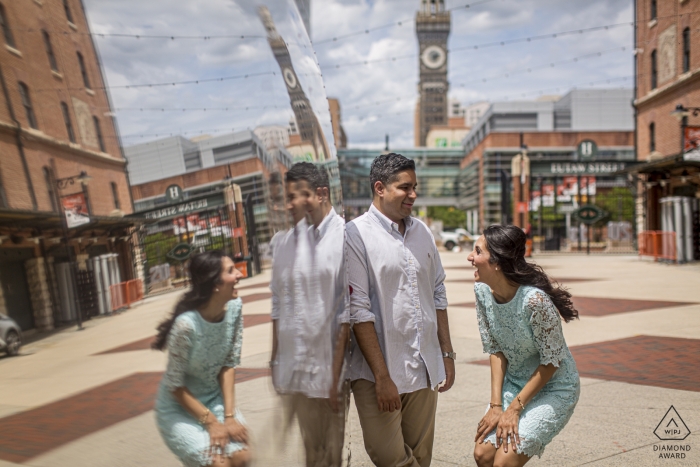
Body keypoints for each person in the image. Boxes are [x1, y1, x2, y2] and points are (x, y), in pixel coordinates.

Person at [346, 153, 455, 467]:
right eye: (405, 188)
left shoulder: (421, 231)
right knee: (391, 458)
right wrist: (382, 377)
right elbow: (359, 309)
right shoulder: (355, 235)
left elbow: (437, 291)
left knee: (420, 458)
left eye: (415, 187)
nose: (413, 195)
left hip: (422, 366)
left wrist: (446, 354)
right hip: (377, 372)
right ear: (380, 188)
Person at [469, 225, 580, 467]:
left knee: (503, 462)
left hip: (554, 388)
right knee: (483, 456)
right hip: (514, 383)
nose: (470, 257)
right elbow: (495, 349)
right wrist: (497, 405)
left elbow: (552, 362)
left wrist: (514, 410)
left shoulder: (535, 300)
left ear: (496, 262)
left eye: (477, 251)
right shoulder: (481, 292)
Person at [269, 162, 350, 466]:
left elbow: (348, 313)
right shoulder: (285, 243)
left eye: (295, 196)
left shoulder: (345, 237)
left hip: (330, 372)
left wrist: (336, 377)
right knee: (310, 454)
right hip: (295, 369)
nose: (287, 204)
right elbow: (278, 304)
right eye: (286, 197)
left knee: (330, 456)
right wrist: (275, 359)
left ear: (320, 194)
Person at [153, 250, 250, 467]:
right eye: (230, 271)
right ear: (215, 284)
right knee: (219, 464)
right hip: (178, 409)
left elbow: (229, 364)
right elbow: (175, 386)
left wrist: (229, 416)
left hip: (214, 400)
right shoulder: (186, 326)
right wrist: (213, 423)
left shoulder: (235, 308)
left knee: (242, 457)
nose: (239, 275)